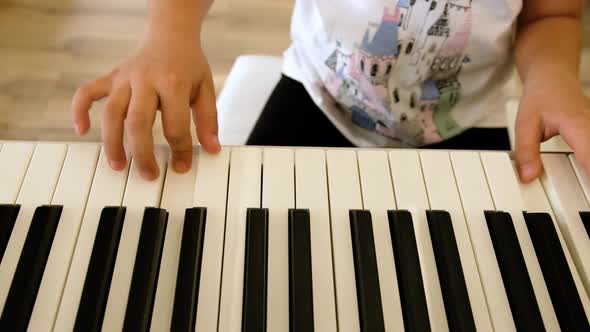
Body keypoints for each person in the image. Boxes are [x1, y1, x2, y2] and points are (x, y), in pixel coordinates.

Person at [71, 0, 590, 183]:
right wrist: (169, 35)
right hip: (322, 96)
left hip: (467, 121)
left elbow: (554, 13)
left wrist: (553, 76)